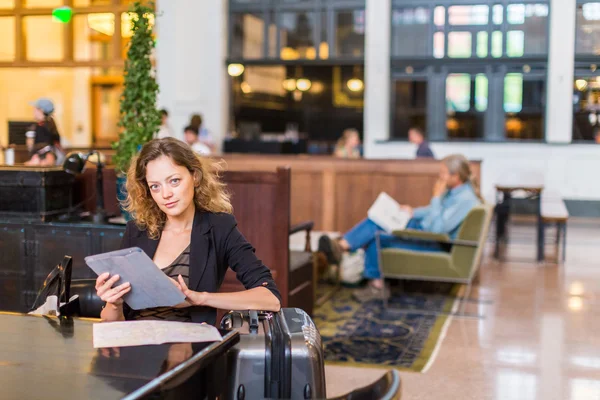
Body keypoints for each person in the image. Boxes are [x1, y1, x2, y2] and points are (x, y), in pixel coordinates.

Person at [94, 138, 281, 324]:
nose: (165, 194)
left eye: (174, 181)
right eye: (155, 186)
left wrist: (200, 298)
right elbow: (112, 323)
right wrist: (114, 304)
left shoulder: (219, 228)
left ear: (195, 177)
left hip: (190, 347)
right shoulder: (136, 231)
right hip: (136, 345)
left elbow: (270, 299)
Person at [318, 154, 481, 302]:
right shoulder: (456, 191)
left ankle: (343, 247)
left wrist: (436, 197)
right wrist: (412, 211)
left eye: (444, 172)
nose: (440, 176)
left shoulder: (465, 199)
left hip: (432, 241)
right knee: (378, 225)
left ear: (456, 176)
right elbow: (433, 212)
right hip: (424, 231)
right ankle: (375, 283)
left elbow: (438, 230)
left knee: (377, 229)